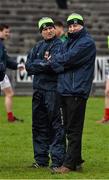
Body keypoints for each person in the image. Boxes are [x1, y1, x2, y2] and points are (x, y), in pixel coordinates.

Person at [33, 13, 96, 173]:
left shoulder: (86, 43)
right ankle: (76, 160)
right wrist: (59, 61)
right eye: (71, 25)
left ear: (82, 25)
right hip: (65, 90)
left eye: (76, 25)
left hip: (76, 90)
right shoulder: (68, 41)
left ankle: (68, 165)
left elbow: (66, 59)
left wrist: (56, 61)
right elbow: (61, 61)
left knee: (73, 129)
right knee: (68, 128)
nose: (73, 28)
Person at [25, 17, 65, 169]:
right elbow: (28, 67)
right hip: (38, 91)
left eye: (50, 28)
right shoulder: (37, 46)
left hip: (53, 91)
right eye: (45, 29)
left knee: (56, 126)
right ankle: (41, 160)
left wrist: (39, 64)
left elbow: (53, 65)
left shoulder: (59, 45)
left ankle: (57, 161)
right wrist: (43, 63)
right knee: (38, 126)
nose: (48, 31)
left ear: (54, 29)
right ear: (41, 32)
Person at [0, 23, 24, 122]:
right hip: (0, 73)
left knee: (9, 93)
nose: (8, 34)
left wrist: (17, 65)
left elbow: (6, 60)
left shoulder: (1, 44)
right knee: (9, 93)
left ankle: (10, 117)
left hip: (1, 74)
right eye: (6, 32)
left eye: (8, 32)